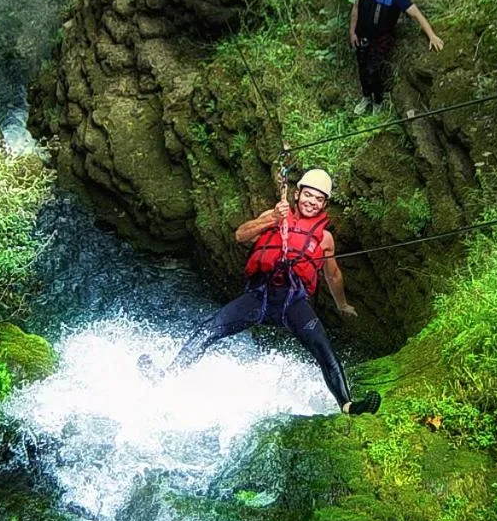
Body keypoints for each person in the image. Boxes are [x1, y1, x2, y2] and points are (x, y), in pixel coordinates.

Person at [162, 169, 381, 415]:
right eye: (308, 195)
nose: (311, 202)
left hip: (293, 303)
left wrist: (342, 304)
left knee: (323, 348)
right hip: (259, 297)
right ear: (297, 195)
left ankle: (348, 405)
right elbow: (240, 235)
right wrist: (273, 218)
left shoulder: (325, 239)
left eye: (318, 199)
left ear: (324, 205)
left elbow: (333, 275)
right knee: (209, 328)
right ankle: (169, 375)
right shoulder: (275, 215)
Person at [348, 0, 443, 114]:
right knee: (362, 68)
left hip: (382, 38)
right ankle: (366, 97)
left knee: (373, 70)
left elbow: (416, 14)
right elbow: (356, 9)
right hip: (362, 34)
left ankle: (377, 101)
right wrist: (352, 32)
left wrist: (432, 35)